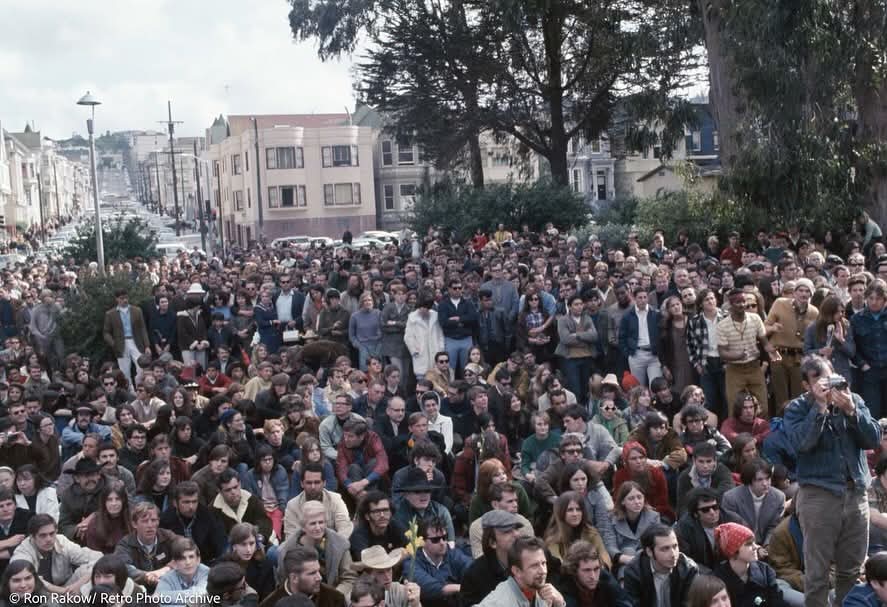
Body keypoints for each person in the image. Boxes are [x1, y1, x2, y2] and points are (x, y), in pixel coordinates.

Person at [784, 354, 880, 607]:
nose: (825, 384)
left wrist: (850, 410)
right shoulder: (797, 408)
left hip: (856, 494)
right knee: (817, 574)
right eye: (817, 380)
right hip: (819, 496)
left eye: (828, 376)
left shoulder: (853, 399)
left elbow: (872, 440)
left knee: (852, 570)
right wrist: (819, 407)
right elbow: (801, 444)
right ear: (806, 385)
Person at [718, 289, 779, 415]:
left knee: (763, 408)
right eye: (737, 302)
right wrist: (737, 356)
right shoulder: (722, 326)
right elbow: (722, 353)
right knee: (735, 409)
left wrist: (771, 350)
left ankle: (761, 433)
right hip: (735, 370)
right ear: (730, 305)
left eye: (743, 301)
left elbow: (764, 342)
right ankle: (738, 435)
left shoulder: (755, 318)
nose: (742, 305)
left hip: (754, 367)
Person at [276, 501, 355, 596]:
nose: (318, 528)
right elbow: (285, 583)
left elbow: (349, 578)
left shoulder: (340, 544)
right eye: (313, 523)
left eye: (321, 522)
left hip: (334, 596)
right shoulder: (287, 550)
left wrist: (332, 597)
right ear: (303, 527)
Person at [11, 513, 102, 594]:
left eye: (52, 533)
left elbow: (98, 557)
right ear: (32, 536)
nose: (49, 539)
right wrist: (62, 591)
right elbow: (25, 579)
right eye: (43, 535)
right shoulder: (23, 551)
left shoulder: (61, 541)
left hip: (67, 588)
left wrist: (79, 584)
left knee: (90, 571)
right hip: (39, 594)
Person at [711, 522, 792, 607]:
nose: (756, 547)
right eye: (749, 544)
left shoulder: (765, 571)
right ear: (734, 551)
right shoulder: (718, 579)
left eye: (754, 542)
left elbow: (778, 602)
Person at [461, 510, 531, 606]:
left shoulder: (533, 559)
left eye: (516, 528)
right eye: (507, 532)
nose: (516, 534)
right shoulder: (474, 575)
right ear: (492, 542)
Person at [476, 536, 567, 607]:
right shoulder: (500, 602)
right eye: (534, 566)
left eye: (543, 563)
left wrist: (559, 603)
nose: (543, 571)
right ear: (517, 571)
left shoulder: (538, 591)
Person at [402, 516, 471, 607]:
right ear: (422, 541)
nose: (442, 543)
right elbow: (428, 586)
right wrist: (461, 588)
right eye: (435, 540)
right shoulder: (412, 562)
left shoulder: (452, 554)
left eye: (444, 537)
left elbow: (470, 568)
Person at [623, 524, 698, 606]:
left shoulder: (689, 569)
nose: (673, 554)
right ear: (649, 552)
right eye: (665, 549)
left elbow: (689, 604)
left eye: (675, 546)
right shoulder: (634, 571)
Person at [113, 501, 182, 589]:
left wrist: (167, 569)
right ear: (134, 524)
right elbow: (123, 567)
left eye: (153, 520)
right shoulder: (125, 544)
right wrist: (147, 577)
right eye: (145, 521)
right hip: (139, 591)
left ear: (158, 522)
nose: (150, 525)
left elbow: (188, 549)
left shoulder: (167, 536)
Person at [676, 488, 744, 573]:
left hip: (731, 569)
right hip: (700, 573)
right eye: (705, 510)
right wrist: (708, 574)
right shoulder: (684, 527)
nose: (712, 512)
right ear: (695, 514)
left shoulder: (733, 520)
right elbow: (685, 559)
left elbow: (743, 550)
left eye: (715, 507)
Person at [160, 481, 227, 564]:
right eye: (186, 502)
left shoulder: (209, 516)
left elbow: (221, 546)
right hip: (177, 565)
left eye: (194, 502)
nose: (191, 507)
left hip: (206, 563)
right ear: (175, 503)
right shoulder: (165, 520)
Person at [284, 461, 353, 539]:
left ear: (324, 483)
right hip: (304, 548)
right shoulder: (292, 505)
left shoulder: (335, 499)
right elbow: (291, 536)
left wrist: (332, 547)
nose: (313, 487)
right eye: (309, 483)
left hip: (333, 545)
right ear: (302, 484)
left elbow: (345, 528)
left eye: (317, 482)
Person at [260, 545, 346, 607]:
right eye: (312, 573)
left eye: (318, 571)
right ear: (294, 578)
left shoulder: (335, 600)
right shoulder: (270, 604)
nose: (319, 578)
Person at [557, 540, 633, 607]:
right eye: (587, 570)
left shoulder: (604, 577)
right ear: (574, 570)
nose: (593, 576)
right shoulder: (566, 584)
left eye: (596, 569)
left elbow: (624, 602)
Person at [851, 279, 887, 419]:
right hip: (869, 372)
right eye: (871, 298)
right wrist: (862, 364)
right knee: (873, 412)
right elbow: (853, 347)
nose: (874, 302)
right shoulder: (857, 319)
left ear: (884, 299)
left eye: (878, 298)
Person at [103, 289, 151, 383]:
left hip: (136, 342)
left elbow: (142, 328)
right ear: (117, 299)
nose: (125, 300)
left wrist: (147, 345)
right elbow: (106, 332)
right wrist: (113, 344)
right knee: (124, 372)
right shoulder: (110, 314)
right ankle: (130, 392)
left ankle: (141, 388)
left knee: (141, 367)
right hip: (121, 344)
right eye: (122, 298)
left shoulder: (137, 310)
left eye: (126, 298)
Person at [675, 442, 735, 516]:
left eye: (709, 461)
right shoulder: (684, 476)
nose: (705, 466)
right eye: (701, 461)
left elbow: (725, 496)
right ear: (694, 460)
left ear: (715, 460)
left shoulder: (723, 471)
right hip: (695, 516)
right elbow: (682, 506)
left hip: (719, 513)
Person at [619, 286, 662, 387]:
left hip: (653, 354)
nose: (643, 300)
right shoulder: (627, 316)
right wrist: (628, 353)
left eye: (645, 297)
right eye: (640, 297)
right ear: (634, 298)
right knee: (638, 387)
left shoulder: (656, 313)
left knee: (655, 385)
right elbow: (622, 337)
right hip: (636, 354)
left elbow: (661, 334)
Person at [352, 547, 421, 607]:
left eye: (389, 570)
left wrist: (416, 604)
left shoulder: (402, 592)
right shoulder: (356, 596)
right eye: (380, 572)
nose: (387, 577)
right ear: (367, 575)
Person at [349, 491, 407, 560]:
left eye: (385, 510)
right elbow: (368, 563)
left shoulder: (396, 526)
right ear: (367, 516)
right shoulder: (358, 535)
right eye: (376, 511)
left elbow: (413, 548)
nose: (382, 515)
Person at [403, 290, 445, 381]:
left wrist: (441, 349)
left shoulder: (435, 316)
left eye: (426, 308)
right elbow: (408, 337)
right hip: (420, 355)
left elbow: (440, 335)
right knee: (422, 383)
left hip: (435, 353)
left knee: (437, 383)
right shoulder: (412, 318)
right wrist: (414, 350)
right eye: (422, 307)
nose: (424, 309)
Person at [155, 537, 211, 605]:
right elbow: (157, 602)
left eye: (191, 557)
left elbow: (200, 594)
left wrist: (164, 596)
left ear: (198, 559)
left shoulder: (206, 572)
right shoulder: (166, 579)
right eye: (182, 558)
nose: (188, 562)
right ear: (175, 563)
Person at [0, 488, 29, 575]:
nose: (5, 509)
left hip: (24, 567)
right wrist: (8, 542)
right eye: (0, 506)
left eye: (9, 504)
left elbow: (31, 544)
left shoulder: (27, 517)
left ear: (15, 505)